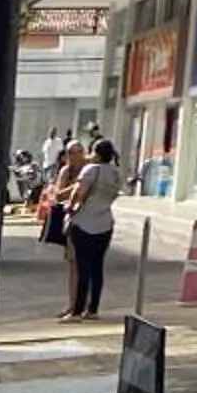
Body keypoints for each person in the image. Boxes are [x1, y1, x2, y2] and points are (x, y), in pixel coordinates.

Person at [64, 137, 120, 319]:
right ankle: (93, 309)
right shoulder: (115, 173)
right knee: (97, 267)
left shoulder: (91, 170)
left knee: (83, 267)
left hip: (85, 223)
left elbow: (78, 193)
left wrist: (70, 207)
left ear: (96, 153)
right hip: (105, 223)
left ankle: (77, 310)